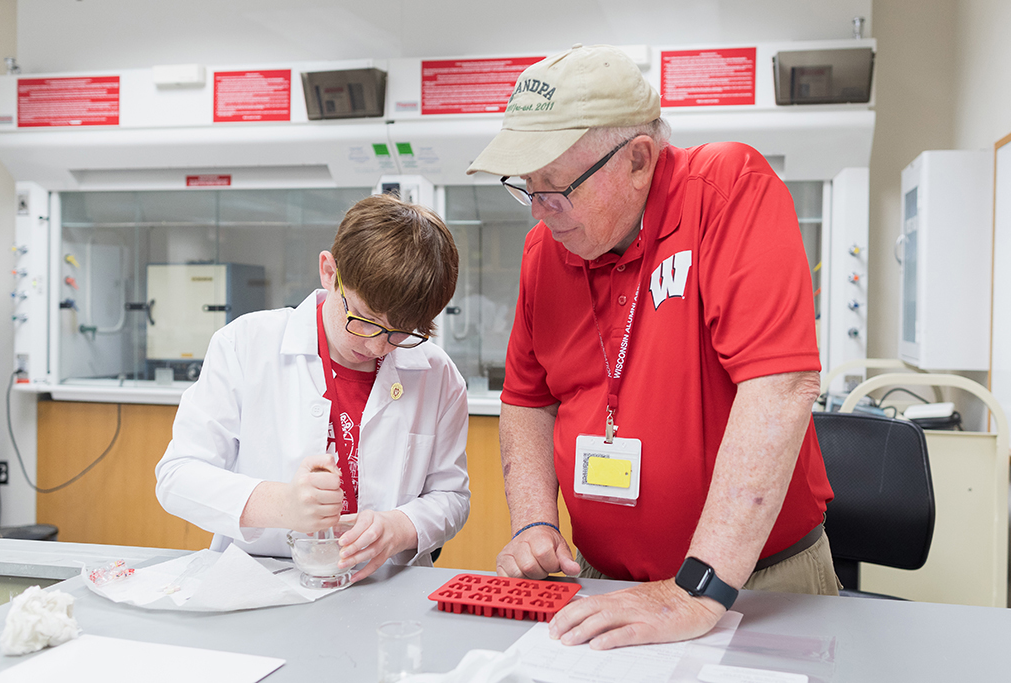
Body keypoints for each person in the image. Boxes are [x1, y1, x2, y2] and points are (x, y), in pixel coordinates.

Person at [466, 44, 837, 649]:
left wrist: (699, 587)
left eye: (556, 188)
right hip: (600, 584)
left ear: (638, 159)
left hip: (755, 585)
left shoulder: (728, 191)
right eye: (526, 188)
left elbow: (781, 385)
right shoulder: (546, 253)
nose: (540, 211)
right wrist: (534, 521)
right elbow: (528, 400)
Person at [155, 193, 470, 583]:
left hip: (385, 584)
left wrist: (400, 526)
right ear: (329, 272)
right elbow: (177, 477)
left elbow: (452, 497)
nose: (376, 347)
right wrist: (280, 504)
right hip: (260, 581)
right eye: (365, 320)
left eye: (400, 333)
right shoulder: (245, 345)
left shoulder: (438, 375)